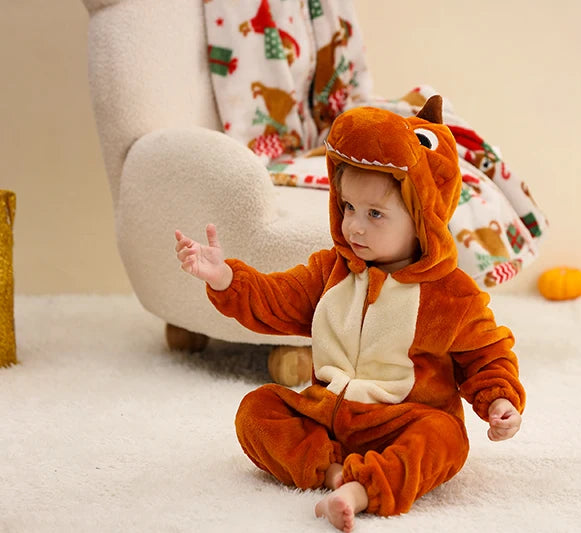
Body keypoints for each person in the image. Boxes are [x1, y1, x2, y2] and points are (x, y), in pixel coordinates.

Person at [174, 96, 525, 532]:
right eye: (348, 208)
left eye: (375, 213)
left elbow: (486, 356)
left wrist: (499, 400)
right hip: (327, 415)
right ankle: (333, 472)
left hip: (402, 421)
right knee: (257, 410)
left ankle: (363, 490)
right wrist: (225, 278)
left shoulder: (452, 294)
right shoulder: (330, 271)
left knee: (446, 438)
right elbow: (277, 298)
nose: (354, 226)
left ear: (423, 219)